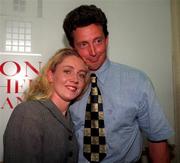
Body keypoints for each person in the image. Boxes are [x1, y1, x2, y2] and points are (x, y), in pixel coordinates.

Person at [63, 4, 173, 163]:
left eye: (98, 41)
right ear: (73, 47)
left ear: (107, 40)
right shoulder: (65, 87)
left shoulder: (137, 82)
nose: (93, 52)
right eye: (84, 44)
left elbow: (157, 140)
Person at [3, 48, 89, 163]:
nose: (75, 79)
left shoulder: (69, 118)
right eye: (67, 71)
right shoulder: (28, 113)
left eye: (81, 75)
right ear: (50, 76)